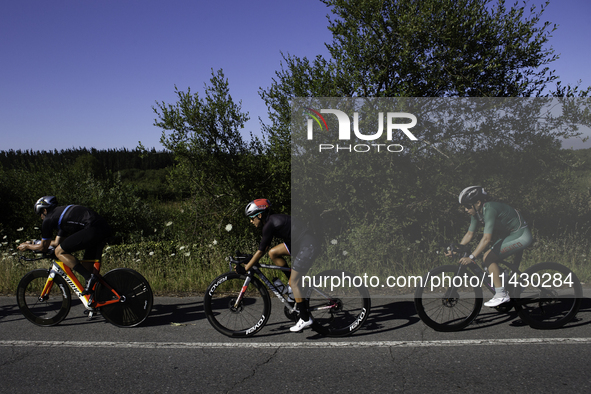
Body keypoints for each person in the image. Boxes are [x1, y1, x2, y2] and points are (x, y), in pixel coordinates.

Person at [240, 199, 318, 332]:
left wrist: (246, 268)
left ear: (259, 215)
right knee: (273, 253)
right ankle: (291, 285)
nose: (251, 221)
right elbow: (264, 250)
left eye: (252, 218)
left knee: (295, 282)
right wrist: (250, 259)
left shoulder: (269, 224)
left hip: (307, 245)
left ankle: (305, 318)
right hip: (300, 243)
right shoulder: (271, 221)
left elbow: (260, 252)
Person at [451, 186, 533, 307]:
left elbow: (486, 239)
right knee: (486, 261)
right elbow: (469, 234)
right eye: (464, 206)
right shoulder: (476, 213)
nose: (465, 209)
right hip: (510, 234)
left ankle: (501, 294)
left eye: (468, 206)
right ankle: (510, 284)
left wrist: (472, 257)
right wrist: (458, 249)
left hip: (521, 234)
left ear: (478, 203)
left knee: (488, 258)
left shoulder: (489, 209)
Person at [18, 196, 112, 294]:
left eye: (40, 213)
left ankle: (89, 278)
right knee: (86, 266)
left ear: (44, 210)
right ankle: (100, 299)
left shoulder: (48, 219)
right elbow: (56, 242)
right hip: (100, 228)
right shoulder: (62, 216)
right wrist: (34, 243)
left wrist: (27, 246)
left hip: (92, 228)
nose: (41, 217)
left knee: (59, 251)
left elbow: (43, 247)